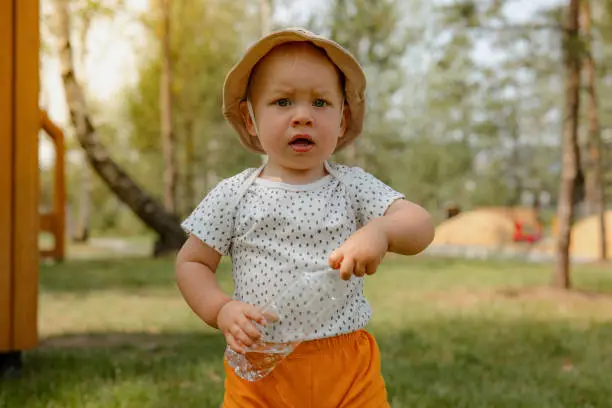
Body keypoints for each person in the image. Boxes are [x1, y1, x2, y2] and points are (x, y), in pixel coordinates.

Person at [175, 27, 435, 408]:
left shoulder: (352, 186)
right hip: (261, 368)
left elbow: (420, 225)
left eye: (320, 103)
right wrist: (221, 309)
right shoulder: (234, 194)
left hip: (346, 366)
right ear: (251, 121)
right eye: (282, 102)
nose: (302, 117)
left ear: (342, 121)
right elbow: (193, 261)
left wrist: (382, 229)